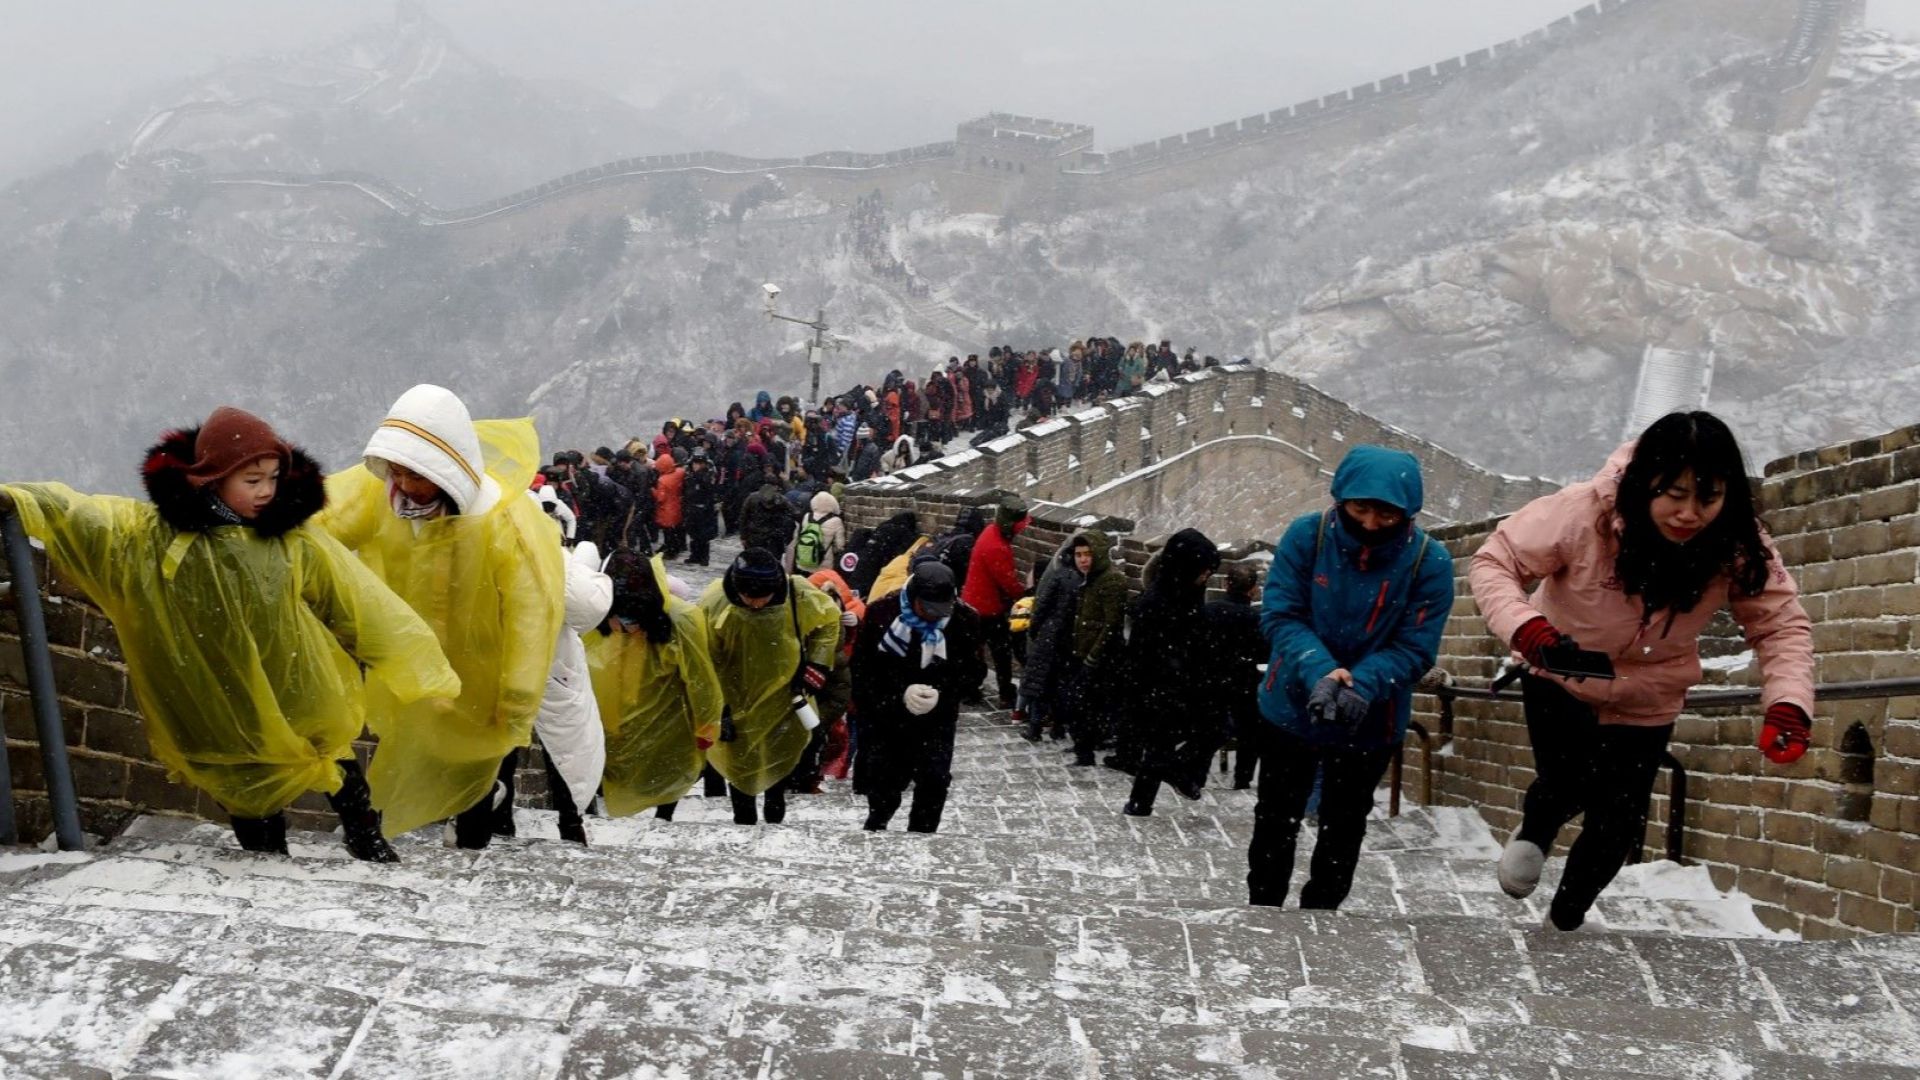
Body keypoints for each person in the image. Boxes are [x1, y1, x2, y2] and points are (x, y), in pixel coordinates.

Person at [0, 408, 458, 861]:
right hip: (218, 693)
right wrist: (17, 499)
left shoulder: (290, 540)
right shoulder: (154, 536)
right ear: (212, 477)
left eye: (273, 478)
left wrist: (418, 667)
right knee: (242, 777)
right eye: (252, 480)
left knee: (333, 758)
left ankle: (364, 834)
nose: (266, 492)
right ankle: (266, 855)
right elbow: (81, 513)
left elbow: (358, 602)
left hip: (295, 680)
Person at [1469, 412, 1814, 931]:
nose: (1690, 513)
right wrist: (1525, 626)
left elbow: (1780, 625)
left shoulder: (1740, 543)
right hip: (1561, 670)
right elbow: (1496, 560)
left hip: (1651, 693)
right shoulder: (1584, 513)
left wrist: (1788, 702)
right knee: (1568, 780)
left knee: (1620, 819)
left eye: (1708, 497)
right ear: (1643, 481)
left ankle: (1566, 917)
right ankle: (1538, 827)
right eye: (1673, 493)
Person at [318, 384, 565, 849]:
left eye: (418, 475)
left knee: (474, 767)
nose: (406, 485)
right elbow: (321, 519)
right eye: (398, 471)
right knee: (417, 751)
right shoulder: (382, 496)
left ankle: (473, 846)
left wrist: (516, 695)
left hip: (481, 676)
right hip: (415, 668)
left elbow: (530, 612)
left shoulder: (501, 520)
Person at [1249, 445, 1454, 909]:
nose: (1370, 524)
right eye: (1360, 509)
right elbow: (1281, 615)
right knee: (1276, 817)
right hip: (1291, 704)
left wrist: (1361, 682)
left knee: (1345, 824)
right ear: (1340, 499)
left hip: (1371, 717)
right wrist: (1320, 669)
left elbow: (1415, 647)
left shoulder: (1429, 563)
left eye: (1386, 514)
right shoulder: (1308, 537)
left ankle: (1320, 914)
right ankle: (1262, 909)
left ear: (1408, 513)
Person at [700, 548, 843, 825]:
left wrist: (817, 665)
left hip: (784, 696)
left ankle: (775, 814)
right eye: (748, 598)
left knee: (780, 757)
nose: (755, 605)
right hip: (736, 696)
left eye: (762, 598)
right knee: (740, 764)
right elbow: (706, 656)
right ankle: (744, 821)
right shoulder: (715, 600)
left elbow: (829, 620)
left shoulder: (796, 593)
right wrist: (716, 706)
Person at [589, 549, 725, 821]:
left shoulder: (681, 619)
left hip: (667, 718)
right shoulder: (593, 616)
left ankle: (663, 819)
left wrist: (706, 724)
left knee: (667, 769)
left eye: (633, 621)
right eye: (622, 620)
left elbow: (701, 680)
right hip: (613, 720)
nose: (627, 629)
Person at [853, 561, 984, 832]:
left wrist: (943, 693)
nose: (933, 618)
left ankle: (922, 838)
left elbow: (973, 673)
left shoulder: (964, 620)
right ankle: (876, 827)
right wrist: (900, 694)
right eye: (926, 610)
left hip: (938, 720)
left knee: (934, 780)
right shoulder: (881, 614)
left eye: (940, 611)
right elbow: (863, 673)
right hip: (888, 719)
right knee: (885, 783)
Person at [1119, 529, 1224, 816]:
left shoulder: (1187, 596)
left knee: (1163, 744)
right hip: (1162, 689)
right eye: (1203, 571)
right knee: (1169, 742)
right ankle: (1173, 774)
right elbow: (1145, 656)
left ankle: (1142, 801)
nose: (1205, 578)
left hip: (1182, 686)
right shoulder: (1155, 604)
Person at [527, 528, 613, 845]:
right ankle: (571, 821)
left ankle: (486, 821)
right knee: (565, 744)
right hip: (549, 660)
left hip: (494, 657)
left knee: (500, 739)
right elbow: (586, 608)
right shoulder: (549, 553)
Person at [1064, 530, 1129, 766]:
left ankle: (1086, 750)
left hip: (1102, 658)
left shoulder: (1111, 580)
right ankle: (1085, 747)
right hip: (1084, 653)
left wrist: (1093, 657)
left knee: (1084, 703)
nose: (1082, 559)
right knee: (1082, 704)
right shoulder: (1088, 579)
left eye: (1087, 554)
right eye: (1078, 554)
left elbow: (1111, 623)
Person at [960, 495, 1030, 709]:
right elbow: (1007, 581)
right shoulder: (996, 547)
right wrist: (1024, 594)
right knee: (1001, 653)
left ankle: (970, 690)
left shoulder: (990, 532)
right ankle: (1005, 693)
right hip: (988, 608)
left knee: (973, 651)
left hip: (973, 603)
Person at [1017, 533, 1088, 742]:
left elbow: (1042, 604)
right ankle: (1057, 726)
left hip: (1049, 637)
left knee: (1041, 685)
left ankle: (1035, 728)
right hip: (1069, 640)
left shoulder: (1059, 575)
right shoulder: (1083, 581)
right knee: (1061, 685)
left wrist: (1035, 630)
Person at [1205, 563, 1269, 790]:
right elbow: (1265, 653)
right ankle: (1242, 780)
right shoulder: (1256, 619)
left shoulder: (1209, 611)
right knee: (1249, 733)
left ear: (1225, 584)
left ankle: (1197, 775)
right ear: (1253, 590)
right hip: (1244, 680)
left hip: (1210, 679)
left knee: (1208, 729)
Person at [740, 478, 798, 560]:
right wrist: (743, 536)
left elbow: (743, 517)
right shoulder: (753, 499)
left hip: (767, 537)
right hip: (760, 537)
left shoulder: (752, 498)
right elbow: (743, 517)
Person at [681, 446, 720, 567]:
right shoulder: (689, 473)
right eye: (695, 463)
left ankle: (704, 557)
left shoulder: (709, 473)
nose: (696, 465)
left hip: (704, 508)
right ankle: (695, 555)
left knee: (703, 535)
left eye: (699, 463)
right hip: (692, 507)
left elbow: (710, 489)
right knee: (693, 534)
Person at [795, 490, 847, 573]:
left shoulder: (807, 516)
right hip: (823, 564)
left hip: (803, 560)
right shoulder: (836, 521)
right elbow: (840, 545)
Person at [653, 450, 686, 559]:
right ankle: (676, 548)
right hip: (676, 507)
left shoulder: (662, 480)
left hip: (666, 511)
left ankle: (670, 552)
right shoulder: (679, 472)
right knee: (674, 531)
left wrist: (652, 490)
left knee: (668, 533)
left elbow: (660, 498)